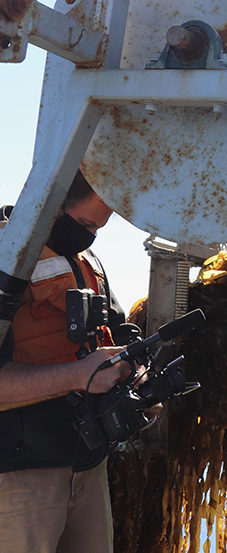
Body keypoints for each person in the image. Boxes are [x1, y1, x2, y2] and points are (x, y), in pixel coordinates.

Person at [0, 171, 130, 553]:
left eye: (99, 228)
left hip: (87, 465)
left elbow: (119, 333)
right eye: (87, 224)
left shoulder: (85, 261)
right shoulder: (7, 254)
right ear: (52, 203)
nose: (91, 236)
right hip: (21, 476)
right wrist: (78, 375)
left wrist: (132, 377)